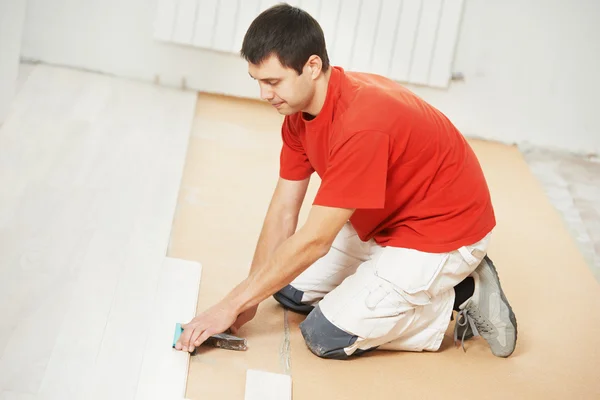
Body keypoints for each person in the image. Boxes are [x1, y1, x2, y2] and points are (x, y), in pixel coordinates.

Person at [175, 3, 517, 359]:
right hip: (383, 217)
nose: (264, 95)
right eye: (258, 81)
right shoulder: (299, 113)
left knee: (325, 333)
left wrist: (229, 304)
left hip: (440, 232)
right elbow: (282, 211)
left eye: (272, 82)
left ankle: (461, 293)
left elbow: (316, 240)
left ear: (312, 66)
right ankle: (387, 279)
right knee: (286, 288)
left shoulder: (361, 123)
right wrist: (245, 300)